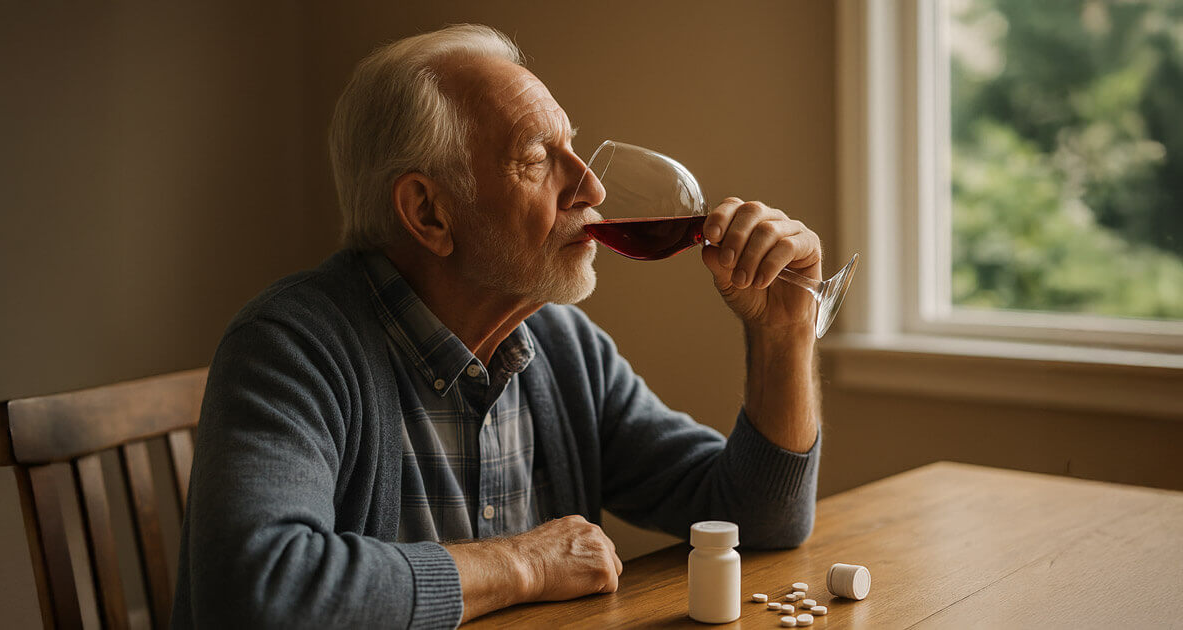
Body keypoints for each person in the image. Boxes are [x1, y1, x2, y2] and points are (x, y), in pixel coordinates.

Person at [173, 24, 822, 629]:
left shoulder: (565, 349)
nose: (591, 187)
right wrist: (525, 564)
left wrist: (784, 334)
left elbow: (757, 518)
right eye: (539, 157)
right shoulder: (292, 347)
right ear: (428, 212)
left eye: (574, 146)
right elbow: (257, 591)